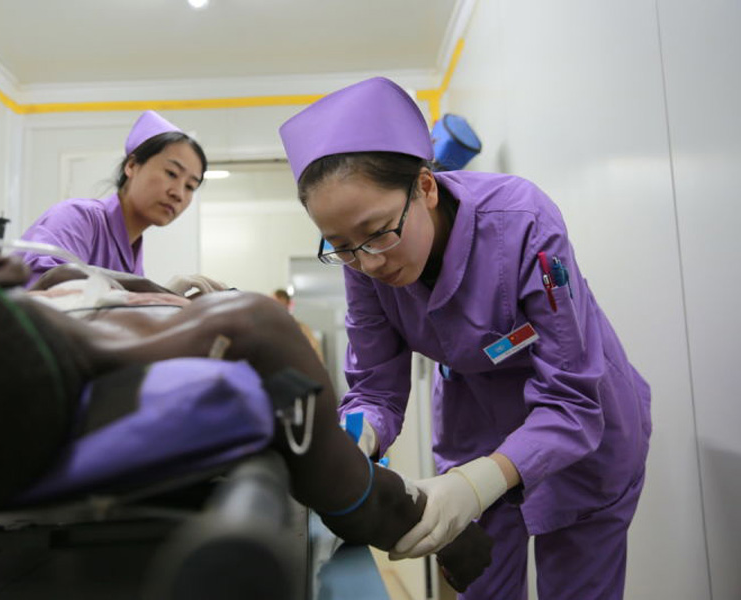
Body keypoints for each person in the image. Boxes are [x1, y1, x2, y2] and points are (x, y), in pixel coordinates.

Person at [0, 226, 492, 590]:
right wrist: (450, 523)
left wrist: (151, 288)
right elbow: (362, 503)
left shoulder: (39, 319)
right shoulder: (247, 326)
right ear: (4, 278)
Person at [279, 77, 652, 599]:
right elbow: (375, 390)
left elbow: (571, 398)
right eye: (341, 246)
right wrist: (355, 436)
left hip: (581, 431)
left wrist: (479, 483)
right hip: (474, 422)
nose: (369, 262)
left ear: (426, 187)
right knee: (482, 584)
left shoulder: (521, 222)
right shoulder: (363, 259)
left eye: (380, 231)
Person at [18, 110, 212, 292]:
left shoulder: (132, 259)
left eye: (190, 186)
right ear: (132, 165)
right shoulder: (78, 217)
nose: (178, 193)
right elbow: (48, 291)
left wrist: (166, 299)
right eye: (171, 173)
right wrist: (151, 292)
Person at [271, 288, 324, 362]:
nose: (276, 307)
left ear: (288, 305)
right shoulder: (268, 328)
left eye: (280, 303)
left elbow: (316, 355)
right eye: (273, 303)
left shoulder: (301, 328)